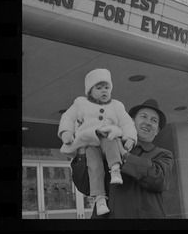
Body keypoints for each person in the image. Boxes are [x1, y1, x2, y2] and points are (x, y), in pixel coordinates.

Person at [71, 99, 174, 219]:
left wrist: (124, 155)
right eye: (143, 117)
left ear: (157, 131)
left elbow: (159, 179)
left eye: (154, 121)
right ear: (132, 121)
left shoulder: (162, 154)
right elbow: (85, 186)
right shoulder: (108, 147)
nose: (148, 123)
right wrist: (81, 151)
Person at [57, 68, 137, 216]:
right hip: (90, 142)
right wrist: (66, 132)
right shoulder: (80, 103)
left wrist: (130, 137)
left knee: (112, 141)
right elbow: (68, 117)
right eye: (99, 88)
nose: (104, 91)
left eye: (107, 87)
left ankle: (115, 170)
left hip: (109, 136)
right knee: (94, 167)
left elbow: (127, 123)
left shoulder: (117, 106)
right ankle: (99, 199)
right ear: (89, 91)